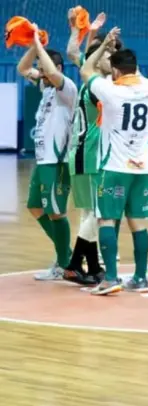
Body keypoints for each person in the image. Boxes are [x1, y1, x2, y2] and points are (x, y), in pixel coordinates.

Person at [81, 28, 148, 295]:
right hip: (141, 167)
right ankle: (140, 278)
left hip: (114, 167)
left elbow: (86, 68)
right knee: (138, 222)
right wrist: (116, 51)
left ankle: (111, 278)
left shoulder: (110, 90)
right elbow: (134, 73)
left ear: (114, 71)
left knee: (106, 220)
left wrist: (103, 46)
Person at [17, 26, 76, 282]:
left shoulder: (67, 88)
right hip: (43, 160)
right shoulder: (46, 86)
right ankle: (67, 254)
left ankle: (65, 264)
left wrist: (40, 47)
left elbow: (51, 72)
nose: (40, 74)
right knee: (34, 207)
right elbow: (22, 68)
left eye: (43, 69)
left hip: (57, 161)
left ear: (57, 68)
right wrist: (33, 45)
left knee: (56, 212)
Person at [62, 41, 113, 286]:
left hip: (83, 154)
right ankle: (73, 265)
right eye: (108, 56)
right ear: (97, 60)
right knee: (96, 213)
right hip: (90, 156)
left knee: (89, 213)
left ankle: (93, 266)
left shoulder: (91, 82)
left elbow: (75, 54)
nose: (112, 60)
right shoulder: (98, 86)